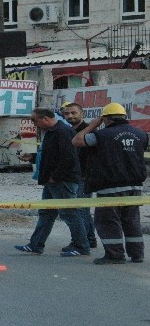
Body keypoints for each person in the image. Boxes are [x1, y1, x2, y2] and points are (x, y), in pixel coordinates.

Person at [73, 102, 148, 264]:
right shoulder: (141, 134)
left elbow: (77, 141)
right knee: (132, 220)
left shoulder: (101, 135)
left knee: (108, 221)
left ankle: (115, 255)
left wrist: (92, 125)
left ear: (105, 119)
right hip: (136, 185)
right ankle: (137, 254)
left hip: (110, 185)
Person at [14, 107, 90, 257]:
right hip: (53, 181)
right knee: (46, 213)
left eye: (35, 121)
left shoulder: (62, 132)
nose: (35, 125)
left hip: (62, 181)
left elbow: (69, 158)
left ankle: (82, 246)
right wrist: (34, 158)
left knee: (69, 213)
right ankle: (36, 244)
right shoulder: (52, 132)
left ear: (45, 119)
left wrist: (55, 176)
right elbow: (52, 155)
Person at [61, 102, 97, 250]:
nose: (70, 116)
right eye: (67, 114)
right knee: (80, 209)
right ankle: (88, 239)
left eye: (73, 113)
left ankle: (84, 241)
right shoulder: (67, 131)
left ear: (82, 114)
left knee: (80, 209)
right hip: (71, 176)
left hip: (84, 176)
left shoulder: (88, 131)